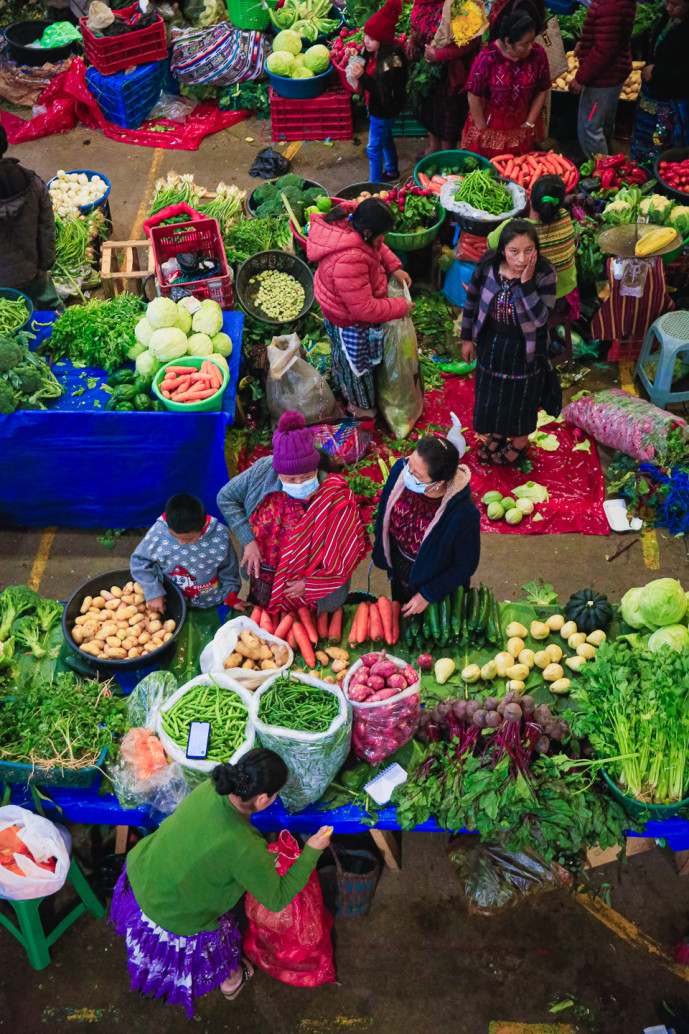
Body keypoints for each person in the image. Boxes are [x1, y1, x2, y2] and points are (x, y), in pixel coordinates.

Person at [110, 748, 333, 1017]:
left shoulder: (210, 788)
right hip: (174, 912)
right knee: (219, 941)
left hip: (142, 875)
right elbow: (277, 899)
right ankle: (232, 982)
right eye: (275, 795)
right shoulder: (246, 846)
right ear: (263, 798)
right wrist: (312, 850)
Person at [217, 411, 366, 614]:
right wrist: (247, 539)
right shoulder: (263, 470)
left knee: (311, 628)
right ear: (277, 471)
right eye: (290, 479)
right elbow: (226, 497)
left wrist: (311, 584)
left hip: (310, 592)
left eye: (307, 476)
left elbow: (344, 549)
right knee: (266, 621)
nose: (300, 483)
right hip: (265, 576)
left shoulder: (334, 496)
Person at [461, 220, 557, 466]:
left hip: (525, 348)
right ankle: (498, 434)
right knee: (492, 394)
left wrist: (525, 283)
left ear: (536, 249)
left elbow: (541, 319)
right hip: (491, 342)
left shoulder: (545, 274)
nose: (522, 258)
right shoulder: (488, 267)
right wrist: (466, 339)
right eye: (514, 251)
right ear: (503, 250)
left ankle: (520, 442)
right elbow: (472, 301)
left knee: (520, 398)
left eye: (528, 250)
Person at [307, 198, 412, 419]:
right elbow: (364, 309)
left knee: (345, 358)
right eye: (381, 234)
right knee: (358, 368)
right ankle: (363, 409)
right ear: (366, 232)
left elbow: (378, 246)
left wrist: (393, 268)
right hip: (349, 320)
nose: (383, 240)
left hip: (344, 309)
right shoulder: (350, 259)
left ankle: (347, 382)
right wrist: (401, 306)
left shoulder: (353, 225)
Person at [372, 435, 480, 616]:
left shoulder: (463, 514)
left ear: (438, 483)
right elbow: (384, 511)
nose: (408, 472)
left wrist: (428, 594)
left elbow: (465, 565)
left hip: (438, 586)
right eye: (410, 464)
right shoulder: (401, 470)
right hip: (400, 572)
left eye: (417, 474)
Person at [487, 174, 579, 321]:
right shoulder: (566, 218)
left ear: (529, 200)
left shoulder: (516, 229)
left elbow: (490, 242)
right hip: (565, 292)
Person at [130, 493, 242, 613]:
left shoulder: (220, 535)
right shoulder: (158, 533)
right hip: (172, 600)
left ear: (202, 526)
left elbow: (229, 569)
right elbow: (138, 562)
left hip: (211, 602)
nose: (181, 543)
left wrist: (231, 595)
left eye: (188, 540)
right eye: (175, 537)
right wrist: (153, 592)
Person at [461, 12, 551, 159]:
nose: (531, 47)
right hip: (491, 122)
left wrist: (529, 123)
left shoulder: (538, 55)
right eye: (524, 44)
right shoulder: (487, 58)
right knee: (489, 168)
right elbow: (473, 96)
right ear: (508, 42)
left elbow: (542, 91)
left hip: (522, 120)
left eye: (532, 41)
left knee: (519, 168)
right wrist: (483, 129)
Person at [406, 0, 481, 153]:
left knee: (448, 120)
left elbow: (473, 39)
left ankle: (446, 159)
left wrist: (441, 54)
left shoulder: (462, 4)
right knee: (429, 112)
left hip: (450, 74)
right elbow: (416, 25)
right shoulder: (421, 3)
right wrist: (413, 41)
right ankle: (433, 146)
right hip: (425, 69)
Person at [0, 125, 61, 310]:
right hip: (33, 273)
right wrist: (46, 264)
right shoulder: (31, 181)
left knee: (14, 329)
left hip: (3, 288)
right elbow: (46, 229)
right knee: (51, 312)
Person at [347, 0, 408, 182]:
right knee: (386, 139)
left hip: (383, 110)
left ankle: (375, 186)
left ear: (383, 41)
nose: (366, 40)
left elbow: (382, 90)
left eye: (372, 38)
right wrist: (355, 56)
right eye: (366, 35)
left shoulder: (392, 62)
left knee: (373, 149)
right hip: (375, 107)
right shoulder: (374, 52)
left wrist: (363, 76)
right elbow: (367, 67)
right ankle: (391, 172)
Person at [569, 0, 636, 159]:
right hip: (612, 74)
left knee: (590, 127)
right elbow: (607, 38)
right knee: (604, 122)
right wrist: (584, 43)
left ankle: (600, 172)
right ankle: (607, 160)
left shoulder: (611, 6)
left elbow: (603, 49)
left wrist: (580, 78)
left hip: (602, 79)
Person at [631, 0, 689, 167]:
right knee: (645, 140)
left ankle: (659, 174)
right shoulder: (667, 18)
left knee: (663, 145)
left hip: (671, 100)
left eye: (675, 4)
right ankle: (642, 170)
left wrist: (657, 71)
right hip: (651, 98)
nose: (669, 7)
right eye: (668, 2)